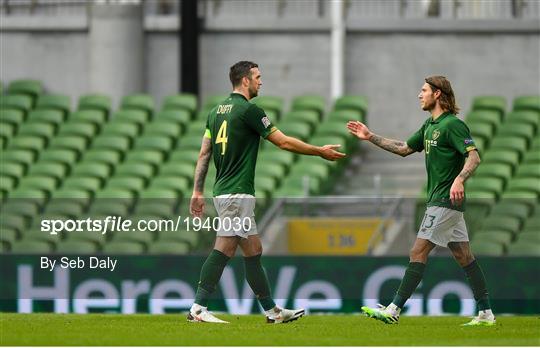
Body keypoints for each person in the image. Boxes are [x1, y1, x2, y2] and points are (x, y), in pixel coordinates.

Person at [188, 61, 345, 324]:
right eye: (258, 77)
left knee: (253, 249)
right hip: (237, 192)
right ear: (245, 81)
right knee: (225, 247)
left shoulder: (215, 112)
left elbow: (204, 153)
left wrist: (197, 190)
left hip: (225, 190)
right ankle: (197, 308)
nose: (261, 82)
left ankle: (272, 312)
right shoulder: (249, 111)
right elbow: (282, 141)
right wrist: (319, 151)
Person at [347, 76, 495, 326]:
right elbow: (404, 148)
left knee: (418, 250)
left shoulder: (452, 125)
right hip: (445, 203)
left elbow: (474, 157)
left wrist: (459, 180)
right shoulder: (430, 125)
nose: (419, 94)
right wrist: (370, 136)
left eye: (423, 90)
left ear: (437, 94)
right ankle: (486, 313)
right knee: (464, 257)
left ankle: (394, 308)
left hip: (444, 201)